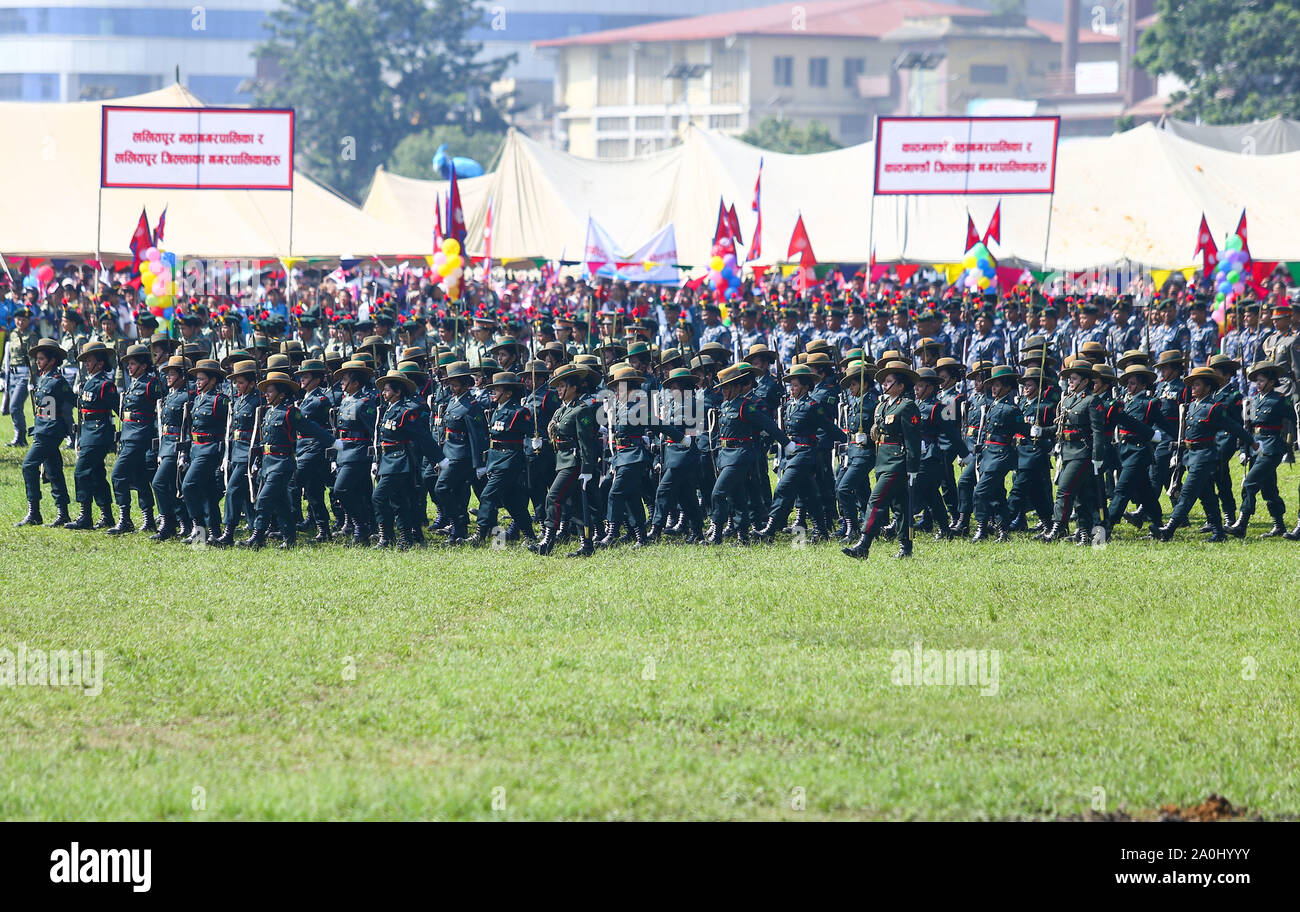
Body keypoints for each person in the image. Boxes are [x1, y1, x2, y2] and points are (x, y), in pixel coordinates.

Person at [1154, 367, 1258, 542]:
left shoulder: (1214, 408)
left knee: (1187, 493)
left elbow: (1234, 427)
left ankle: (1169, 529)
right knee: (1207, 495)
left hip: (1205, 457)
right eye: (1192, 384)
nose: (1192, 388)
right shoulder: (1192, 406)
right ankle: (1219, 532)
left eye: (1197, 384)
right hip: (1191, 456)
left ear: (1208, 387)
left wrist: (1251, 442)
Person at [238, 371, 333, 549]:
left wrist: (334, 442)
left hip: (282, 464)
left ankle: (257, 537)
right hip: (267, 463)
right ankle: (290, 540)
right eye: (266, 391)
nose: (266, 394)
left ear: (281, 394)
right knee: (281, 504)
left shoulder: (290, 412)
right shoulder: (267, 412)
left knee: (264, 500)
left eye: (270, 391)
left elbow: (311, 428)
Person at [755, 363, 844, 542]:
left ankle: (769, 529)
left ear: (805, 386)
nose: (791, 389)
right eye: (791, 386)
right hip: (791, 455)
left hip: (805, 454)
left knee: (782, 489)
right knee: (809, 494)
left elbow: (828, 426)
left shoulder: (812, 405)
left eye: (795, 386)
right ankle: (822, 532)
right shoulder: (789, 405)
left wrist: (847, 440)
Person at [842, 360, 921, 559]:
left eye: (889, 382)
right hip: (882, 460)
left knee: (875, 501)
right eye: (884, 382)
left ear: (901, 386)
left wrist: (912, 468)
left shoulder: (907, 406)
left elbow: (912, 440)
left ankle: (864, 544)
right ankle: (905, 547)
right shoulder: (881, 406)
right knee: (901, 505)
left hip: (897, 461)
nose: (885, 385)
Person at [705, 363, 789, 545]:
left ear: (736, 386)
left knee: (718, 493)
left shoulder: (746, 406)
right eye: (722, 388)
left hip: (741, 456)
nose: (723, 391)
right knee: (737, 496)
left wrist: (786, 443)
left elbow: (768, 425)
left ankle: (716, 534)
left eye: (726, 387)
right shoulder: (726, 406)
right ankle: (742, 537)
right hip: (726, 456)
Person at [533, 362, 601, 557]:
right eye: (558, 387)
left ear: (574, 387)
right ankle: (586, 545)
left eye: (563, 386)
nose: (559, 390)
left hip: (575, 463)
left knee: (552, 497)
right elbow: (557, 438)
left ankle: (548, 538)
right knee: (577, 505)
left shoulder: (581, 410)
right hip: (562, 460)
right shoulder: (560, 411)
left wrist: (587, 469)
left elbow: (586, 442)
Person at [1040, 358, 1105, 543]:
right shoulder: (1068, 400)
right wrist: (1042, 431)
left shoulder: (1092, 400)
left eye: (1074, 379)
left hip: (1083, 454)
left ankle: (1058, 527)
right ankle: (1084, 533)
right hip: (1067, 451)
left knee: (1064, 490)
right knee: (1081, 496)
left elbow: (1097, 431)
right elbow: (1059, 428)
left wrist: (1097, 456)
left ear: (1085, 381)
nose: (1070, 381)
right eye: (1070, 379)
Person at [470, 371, 536, 546]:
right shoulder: (496, 410)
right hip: (496, 459)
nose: (493, 393)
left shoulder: (518, 411)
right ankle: (530, 535)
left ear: (508, 393)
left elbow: (532, 432)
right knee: (512, 501)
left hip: (509, 461)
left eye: (497, 389)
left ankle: (480, 534)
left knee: (487, 495)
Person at [15, 338, 76, 527]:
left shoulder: (59, 382)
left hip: (51, 432)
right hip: (42, 430)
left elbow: (71, 403)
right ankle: (63, 513)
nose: (38, 362)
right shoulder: (43, 379)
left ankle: (34, 513)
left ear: (52, 360)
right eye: (38, 359)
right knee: (54, 470)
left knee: (28, 466)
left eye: (41, 359)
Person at [1231, 362, 1293, 539]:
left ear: (1272, 382)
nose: (1258, 384)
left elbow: (1294, 416)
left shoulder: (1280, 400)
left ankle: (1241, 524)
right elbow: (1247, 428)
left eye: (1262, 381)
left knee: (1250, 483)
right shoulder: (1250, 401)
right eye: (1256, 381)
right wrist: (1243, 449)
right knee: (1268, 488)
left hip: (1272, 446)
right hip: (1254, 446)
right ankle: (1279, 526)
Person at [107, 344, 163, 534]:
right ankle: (148, 520)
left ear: (144, 365)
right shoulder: (134, 384)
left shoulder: (151, 383)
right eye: (128, 364)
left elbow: (162, 408)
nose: (129, 368)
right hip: (128, 434)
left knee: (118, 474)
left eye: (132, 364)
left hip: (140, 435)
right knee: (139, 478)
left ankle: (125, 520)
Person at [64, 340, 120, 530]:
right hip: (87, 432)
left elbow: (119, 409)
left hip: (99, 433)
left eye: (89, 360)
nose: (86, 364)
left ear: (100, 363)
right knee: (96, 474)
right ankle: (107, 516)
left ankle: (84, 515)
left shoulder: (105, 385)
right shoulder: (87, 383)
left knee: (81, 472)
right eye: (85, 360)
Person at [969, 364, 1026, 541]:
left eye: (997, 385)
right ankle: (1003, 530)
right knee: (998, 495)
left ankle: (982, 527)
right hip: (988, 453)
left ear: (1008, 387)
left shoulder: (1011, 409)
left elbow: (1023, 428)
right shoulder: (991, 405)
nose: (993, 388)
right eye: (992, 384)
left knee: (980, 492)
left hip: (1001, 455)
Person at [432, 360, 487, 543]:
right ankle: (458, 529)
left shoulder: (471, 405)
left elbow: (477, 436)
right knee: (453, 491)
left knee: (441, 488)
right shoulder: (453, 401)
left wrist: (479, 464)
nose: (452, 388)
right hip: (449, 452)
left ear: (465, 384)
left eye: (455, 384)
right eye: (450, 384)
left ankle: (458, 523)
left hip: (462, 456)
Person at [213, 360, 264, 546]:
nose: (237, 386)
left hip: (248, 454)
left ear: (252, 383)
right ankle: (254, 531)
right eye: (235, 383)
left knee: (233, 490)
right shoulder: (240, 399)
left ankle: (228, 532)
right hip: (236, 451)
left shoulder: (259, 400)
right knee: (244, 495)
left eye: (241, 382)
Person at [180, 359, 231, 545]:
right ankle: (214, 532)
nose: (197, 382)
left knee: (189, 486)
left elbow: (231, 426)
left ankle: (198, 528)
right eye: (197, 379)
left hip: (210, 450)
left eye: (201, 379)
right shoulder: (197, 399)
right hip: (195, 449)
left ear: (213, 380)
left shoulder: (220, 400)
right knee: (207, 491)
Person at [331, 359, 381, 546]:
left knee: (341, 489)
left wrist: (376, 457)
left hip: (359, 453)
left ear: (356, 383)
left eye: (345, 379)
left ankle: (361, 527)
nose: (342, 383)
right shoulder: (345, 401)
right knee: (361, 492)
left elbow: (374, 430)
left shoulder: (365, 402)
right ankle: (366, 530)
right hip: (344, 451)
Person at [834, 359, 878, 543]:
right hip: (852, 452)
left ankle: (852, 529)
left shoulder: (873, 402)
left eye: (853, 384)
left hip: (865, 453)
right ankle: (875, 525)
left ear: (865, 384)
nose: (850, 388)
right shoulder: (854, 401)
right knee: (861, 492)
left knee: (844, 489)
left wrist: (868, 437)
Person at [150, 354, 192, 541]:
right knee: (169, 484)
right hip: (166, 443)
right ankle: (180, 521)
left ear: (182, 376)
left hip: (177, 445)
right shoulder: (171, 395)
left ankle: (169, 522)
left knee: (161, 483)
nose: (168, 377)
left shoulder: (187, 396)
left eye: (172, 373)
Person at [294, 358, 335, 542]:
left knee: (294, 483)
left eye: (306, 376)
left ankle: (289, 524)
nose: (302, 379)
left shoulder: (320, 400)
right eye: (301, 376)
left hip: (315, 448)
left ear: (317, 379)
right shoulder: (305, 399)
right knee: (313, 491)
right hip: (303, 447)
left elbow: (308, 424)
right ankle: (323, 529)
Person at [4, 306, 37, 447]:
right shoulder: (12, 334)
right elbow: (8, 355)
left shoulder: (32, 336)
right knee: (13, 407)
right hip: (12, 374)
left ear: (28, 321)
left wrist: (32, 378)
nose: (20, 322)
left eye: (23, 320)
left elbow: (34, 359)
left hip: (24, 375)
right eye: (18, 319)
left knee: (15, 405)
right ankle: (19, 437)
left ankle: (20, 435)